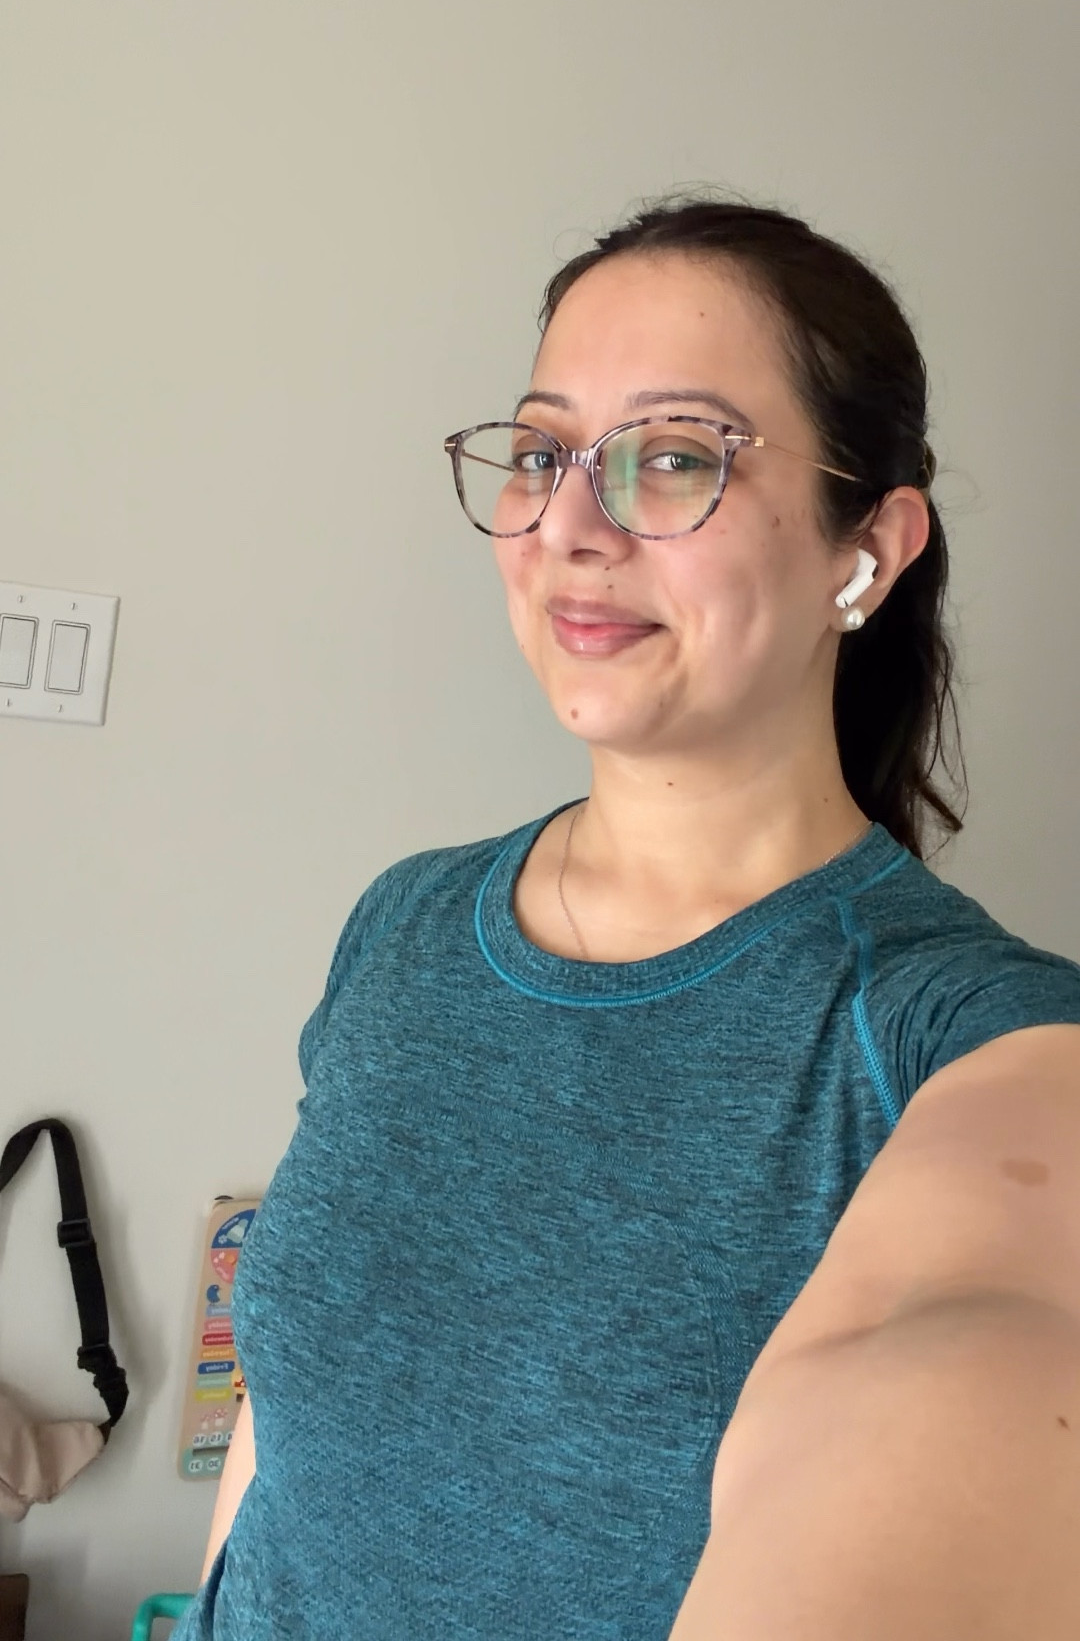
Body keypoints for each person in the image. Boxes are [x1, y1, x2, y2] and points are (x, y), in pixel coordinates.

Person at [173, 197, 1080, 1641]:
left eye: (676, 457)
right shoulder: (406, 922)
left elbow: (989, 1354)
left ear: (868, 548)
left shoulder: (978, 1041)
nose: (571, 529)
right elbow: (287, 1431)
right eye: (543, 455)